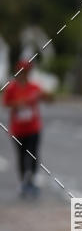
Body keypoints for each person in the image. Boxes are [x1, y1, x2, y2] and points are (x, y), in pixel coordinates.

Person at [2, 59, 48, 197]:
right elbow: (6, 104)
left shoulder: (34, 87)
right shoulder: (11, 88)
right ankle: (23, 182)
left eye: (27, 71)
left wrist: (46, 95)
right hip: (18, 129)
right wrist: (18, 104)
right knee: (21, 155)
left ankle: (32, 180)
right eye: (23, 71)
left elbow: (49, 98)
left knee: (33, 154)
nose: (25, 74)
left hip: (33, 127)